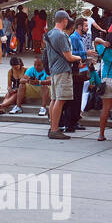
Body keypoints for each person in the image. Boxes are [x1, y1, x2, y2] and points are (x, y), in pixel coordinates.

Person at [43, 10, 79, 140]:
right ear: (64, 20)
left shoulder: (50, 33)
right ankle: (54, 129)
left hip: (53, 70)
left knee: (54, 99)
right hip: (62, 70)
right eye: (67, 20)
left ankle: (53, 126)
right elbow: (68, 57)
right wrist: (79, 57)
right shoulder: (60, 35)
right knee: (60, 99)